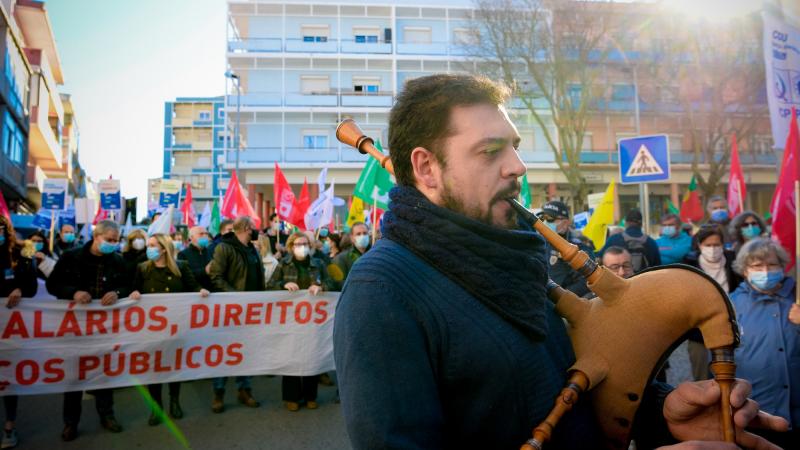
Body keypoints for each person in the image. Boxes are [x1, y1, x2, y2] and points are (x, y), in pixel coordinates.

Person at [333, 74, 786, 449]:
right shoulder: (384, 291)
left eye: (513, 146)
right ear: (427, 169)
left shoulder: (512, 256)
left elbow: (563, 388)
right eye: (491, 151)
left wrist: (660, 415)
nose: (517, 166)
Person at [46, 220, 130, 441]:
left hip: (105, 327)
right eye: (109, 240)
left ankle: (107, 415)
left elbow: (128, 285)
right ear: (96, 236)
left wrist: (117, 293)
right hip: (75, 326)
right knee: (75, 374)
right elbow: (52, 285)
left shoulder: (118, 261)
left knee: (104, 372)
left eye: (116, 240)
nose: (113, 244)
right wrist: (73, 292)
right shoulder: (71, 257)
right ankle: (70, 422)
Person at [130, 233, 209, 425]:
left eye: (153, 245)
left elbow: (192, 286)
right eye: (148, 245)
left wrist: (200, 291)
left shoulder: (181, 267)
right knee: (154, 369)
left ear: (164, 248)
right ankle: (156, 408)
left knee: (173, 365)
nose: (148, 248)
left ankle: (175, 401)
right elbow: (133, 289)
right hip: (150, 329)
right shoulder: (142, 268)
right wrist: (132, 293)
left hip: (175, 327)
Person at [730, 238, 800, 447]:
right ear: (745, 270)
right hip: (755, 413)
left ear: (782, 266)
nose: (766, 271)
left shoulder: (797, 297)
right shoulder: (732, 303)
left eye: (772, 265)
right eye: (757, 266)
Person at [268, 232, 334, 411]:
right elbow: (269, 285)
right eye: (298, 244)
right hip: (290, 320)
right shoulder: (284, 264)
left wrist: (321, 286)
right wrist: (283, 285)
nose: (302, 247)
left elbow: (332, 282)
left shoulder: (319, 264)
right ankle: (292, 397)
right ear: (291, 247)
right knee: (291, 356)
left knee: (312, 355)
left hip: (313, 320)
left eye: (305, 244)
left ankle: (310, 395)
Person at [207, 216, 263, 413]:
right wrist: (236, 298)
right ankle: (218, 392)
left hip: (251, 311)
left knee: (245, 351)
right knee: (225, 352)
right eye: (254, 227)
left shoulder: (252, 250)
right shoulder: (224, 248)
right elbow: (216, 276)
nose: (256, 230)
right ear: (247, 228)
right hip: (230, 311)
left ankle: (244, 389)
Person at [681, 224, 742, 382]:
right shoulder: (689, 266)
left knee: (728, 376)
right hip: (698, 332)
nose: (713, 249)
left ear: (723, 244)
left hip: (728, 329)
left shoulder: (732, 261)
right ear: (700, 245)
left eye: (716, 244)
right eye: (708, 245)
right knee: (702, 377)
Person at [0, 216, 37, 449]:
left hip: (11, 327)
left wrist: (19, 288)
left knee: (7, 376)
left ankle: (9, 426)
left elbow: (32, 287)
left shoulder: (21, 253)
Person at [538, 200, 594, 297]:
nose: (545, 222)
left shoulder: (578, 247)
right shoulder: (540, 242)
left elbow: (588, 279)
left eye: (550, 219)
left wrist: (562, 296)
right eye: (543, 218)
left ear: (565, 223)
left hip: (565, 304)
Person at [600, 209, 661, 273]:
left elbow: (599, 259)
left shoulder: (614, 239)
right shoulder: (651, 242)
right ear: (641, 224)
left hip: (619, 279)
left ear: (626, 223)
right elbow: (658, 269)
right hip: (644, 280)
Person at [177, 226, 213, 291]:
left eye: (206, 234)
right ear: (191, 237)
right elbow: (184, 276)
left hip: (211, 292)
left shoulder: (211, 252)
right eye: (201, 234)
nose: (205, 236)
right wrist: (204, 271)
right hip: (192, 293)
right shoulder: (183, 254)